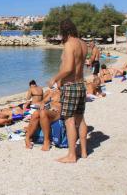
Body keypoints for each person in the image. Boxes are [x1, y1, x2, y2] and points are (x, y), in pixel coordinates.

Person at [48, 18, 88, 163]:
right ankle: (83, 151)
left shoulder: (69, 44)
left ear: (63, 31)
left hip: (70, 86)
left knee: (69, 121)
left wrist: (55, 78)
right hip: (81, 85)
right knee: (80, 118)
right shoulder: (83, 44)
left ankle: (72, 155)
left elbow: (69, 68)